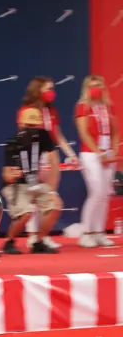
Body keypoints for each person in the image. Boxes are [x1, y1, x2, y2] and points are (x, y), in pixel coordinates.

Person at [18, 76, 78, 250]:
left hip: (50, 156)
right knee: (34, 197)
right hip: (34, 156)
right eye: (48, 89)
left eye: (52, 89)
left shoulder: (51, 111)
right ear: (38, 90)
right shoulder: (27, 110)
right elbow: (23, 134)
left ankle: (43, 236)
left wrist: (71, 154)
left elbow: (58, 135)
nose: (52, 93)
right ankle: (32, 236)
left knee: (50, 196)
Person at [0, 107, 63, 254]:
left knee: (55, 205)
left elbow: (54, 161)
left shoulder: (43, 136)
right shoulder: (13, 143)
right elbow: (6, 175)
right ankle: (9, 241)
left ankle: (39, 241)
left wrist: (52, 190)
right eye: (28, 126)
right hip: (15, 185)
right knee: (26, 213)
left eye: (35, 126)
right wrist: (13, 175)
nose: (32, 130)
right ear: (20, 125)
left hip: (34, 182)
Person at [75, 75, 119, 248]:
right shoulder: (83, 106)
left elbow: (115, 132)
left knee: (105, 194)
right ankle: (86, 232)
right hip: (90, 153)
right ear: (87, 88)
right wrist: (98, 152)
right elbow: (84, 133)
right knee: (96, 192)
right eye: (92, 86)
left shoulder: (108, 106)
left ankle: (99, 232)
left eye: (99, 85)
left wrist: (113, 151)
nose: (96, 89)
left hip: (108, 153)